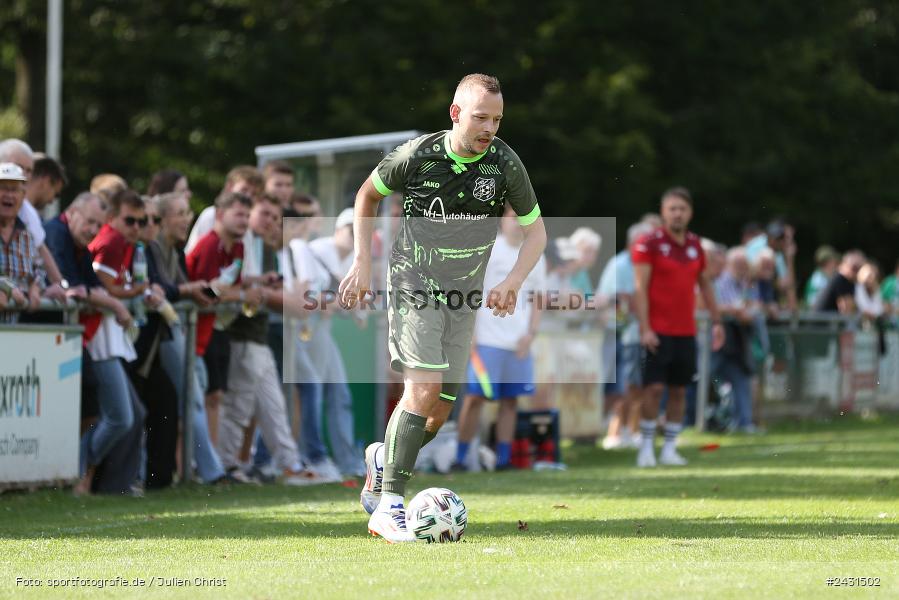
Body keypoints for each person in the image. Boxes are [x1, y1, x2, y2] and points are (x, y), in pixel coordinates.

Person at [340, 73, 546, 542]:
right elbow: (367, 195)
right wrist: (362, 261)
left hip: (463, 298)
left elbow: (536, 232)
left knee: (438, 411)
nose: (489, 128)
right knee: (424, 385)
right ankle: (389, 506)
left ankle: (382, 458)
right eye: (480, 118)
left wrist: (513, 280)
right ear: (455, 113)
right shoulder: (417, 155)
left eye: (496, 120)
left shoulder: (504, 163)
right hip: (413, 284)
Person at [43, 192, 144, 494]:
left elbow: (92, 286)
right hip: (75, 340)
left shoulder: (82, 243)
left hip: (79, 340)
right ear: (72, 212)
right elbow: (76, 288)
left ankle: (78, 474)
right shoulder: (59, 234)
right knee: (116, 414)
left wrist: (107, 298)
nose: (93, 230)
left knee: (113, 413)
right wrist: (117, 304)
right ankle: (75, 474)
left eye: (98, 224)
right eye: (89, 222)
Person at [632, 187, 724, 468]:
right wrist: (645, 328)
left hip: (686, 331)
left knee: (680, 391)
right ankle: (646, 447)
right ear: (663, 212)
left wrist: (717, 321)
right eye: (672, 208)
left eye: (682, 209)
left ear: (690, 213)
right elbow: (640, 288)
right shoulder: (648, 243)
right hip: (657, 330)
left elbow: (705, 284)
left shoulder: (696, 245)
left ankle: (670, 449)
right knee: (653, 389)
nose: (677, 214)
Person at [455, 204, 547, 470]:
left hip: (517, 343)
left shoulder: (535, 253)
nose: (517, 223)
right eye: (512, 217)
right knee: (475, 398)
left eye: (522, 218)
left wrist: (530, 334)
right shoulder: (489, 249)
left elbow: (538, 298)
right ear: (502, 220)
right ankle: (460, 459)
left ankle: (504, 460)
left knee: (510, 401)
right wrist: (470, 333)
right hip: (486, 341)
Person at [597, 221, 654, 450]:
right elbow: (616, 300)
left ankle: (631, 430)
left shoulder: (643, 264)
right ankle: (614, 433)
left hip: (633, 334)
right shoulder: (619, 264)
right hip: (617, 334)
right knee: (625, 386)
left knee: (637, 386)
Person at [0, 140, 67, 291]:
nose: (23, 174)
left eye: (29, 170)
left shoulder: (27, 223)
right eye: (18, 166)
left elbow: (38, 262)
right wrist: (7, 289)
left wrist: (38, 287)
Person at [712, 247, 762, 433]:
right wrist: (737, 311)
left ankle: (743, 422)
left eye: (744, 264)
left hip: (736, 341)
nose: (742, 268)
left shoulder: (744, 282)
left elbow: (752, 306)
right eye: (739, 264)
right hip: (720, 340)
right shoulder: (723, 280)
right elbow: (725, 307)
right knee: (709, 378)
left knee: (740, 379)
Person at [185, 165, 264, 253]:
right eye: (244, 190)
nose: (248, 197)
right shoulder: (211, 214)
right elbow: (198, 254)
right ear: (229, 187)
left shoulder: (246, 226)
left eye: (254, 194)